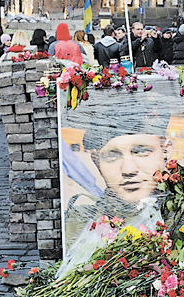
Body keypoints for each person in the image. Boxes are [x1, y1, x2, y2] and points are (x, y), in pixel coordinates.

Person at [60, 114, 172, 275]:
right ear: (96, 161)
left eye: (141, 151)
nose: (128, 169)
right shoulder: (79, 222)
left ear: (166, 152)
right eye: (112, 155)